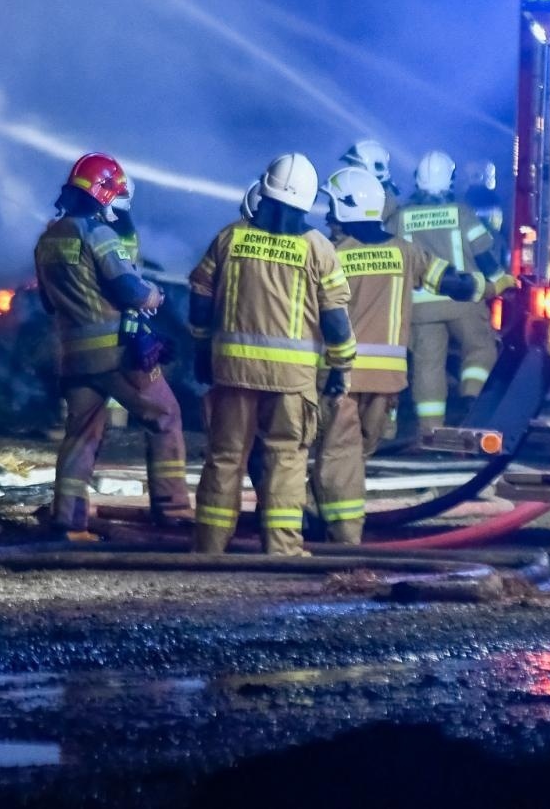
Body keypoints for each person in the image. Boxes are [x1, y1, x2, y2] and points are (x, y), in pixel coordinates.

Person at [189, 153, 355, 556]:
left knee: (225, 459)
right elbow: (335, 320)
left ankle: (208, 548)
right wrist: (341, 365)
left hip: (232, 373)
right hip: (292, 384)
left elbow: (199, 301)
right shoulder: (319, 249)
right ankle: (283, 550)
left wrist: (201, 350)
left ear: (264, 191)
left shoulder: (229, 238)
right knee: (286, 462)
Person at [314, 167, 480, 543]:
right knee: (357, 454)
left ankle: (343, 539)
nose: (327, 215)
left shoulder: (332, 254)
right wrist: (485, 284)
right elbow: (456, 283)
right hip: (388, 381)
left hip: (339, 376)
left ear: (346, 208)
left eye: (332, 206)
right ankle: (338, 525)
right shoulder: (406, 252)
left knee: (341, 456)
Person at [33, 152, 191, 538]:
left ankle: (67, 517)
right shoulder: (97, 234)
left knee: (81, 434)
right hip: (116, 353)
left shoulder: (48, 239)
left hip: (73, 357)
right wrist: (153, 296)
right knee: (165, 416)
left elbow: (48, 303)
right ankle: (172, 510)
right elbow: (128, 289)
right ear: (104, 194)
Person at [391, 150, 514, 429]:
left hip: (419, 305)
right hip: (463, 301)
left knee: (427, 366)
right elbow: (485, 255)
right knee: (481, 348)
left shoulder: (401, 217)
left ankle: (430, 430)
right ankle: (470, 398)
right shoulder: (462, 212)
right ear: (451, 180)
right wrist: (502, 281)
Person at [341, 140, 402, 221]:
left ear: (376, 168)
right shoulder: (357, 197)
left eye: (356, 166)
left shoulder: (385, 204)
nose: (351, 170)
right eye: (351, 165)